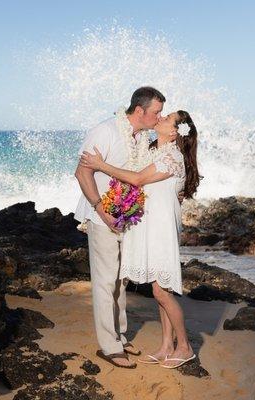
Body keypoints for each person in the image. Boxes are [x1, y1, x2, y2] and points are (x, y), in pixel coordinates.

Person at [79, 110, 200, 368]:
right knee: (159, 290)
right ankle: (167, 345)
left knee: (161, 290)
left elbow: (136, 179)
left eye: (166, 118)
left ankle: (185, 346)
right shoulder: (155, 149)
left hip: (162, 231)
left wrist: (100, 165)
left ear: (174, 132)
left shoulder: (171, 156)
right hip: (151, 227)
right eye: (161, 113)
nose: (161, 118)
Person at [74, 86, 166, 368]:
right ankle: (109, 346)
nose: (159, 118)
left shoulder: (143, 137)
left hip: (127, 217)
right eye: (156, 112)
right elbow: (82, 171)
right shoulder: (105, 131)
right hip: (101, 214)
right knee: (105, 280)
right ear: (139, 110)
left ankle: (120, 335)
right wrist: (101, 211)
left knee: (121, 280)